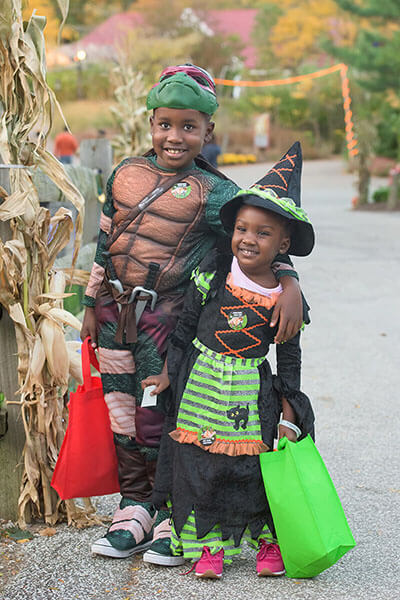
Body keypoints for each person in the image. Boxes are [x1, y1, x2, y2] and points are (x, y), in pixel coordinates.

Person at [80, 64, 304, 565]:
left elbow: (258, 228)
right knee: (121, 414)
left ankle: (168, 512)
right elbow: (105, 238)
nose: (174, 136)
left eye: (188, 126)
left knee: (158, 414)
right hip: (116, 312)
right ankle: (133, 506)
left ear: (208, 131)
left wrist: (289, 282)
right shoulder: (125, 174)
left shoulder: (215, 191)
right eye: (165, 124)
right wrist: (89, 303)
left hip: (168, 317)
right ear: (151, 123)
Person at [143, 142, 315, 577]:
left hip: (251, 391)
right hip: (201, 385)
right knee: (199, 465)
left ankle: (266, 542)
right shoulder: (215, 271)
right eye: (242, 228)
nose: (248, 239)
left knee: (250, 466)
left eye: (263, 233)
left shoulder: (285, 296)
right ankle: (208, 547)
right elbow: (184, 328)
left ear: (284, 243)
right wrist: (167, 374)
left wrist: (291, 409)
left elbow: (289, 358)